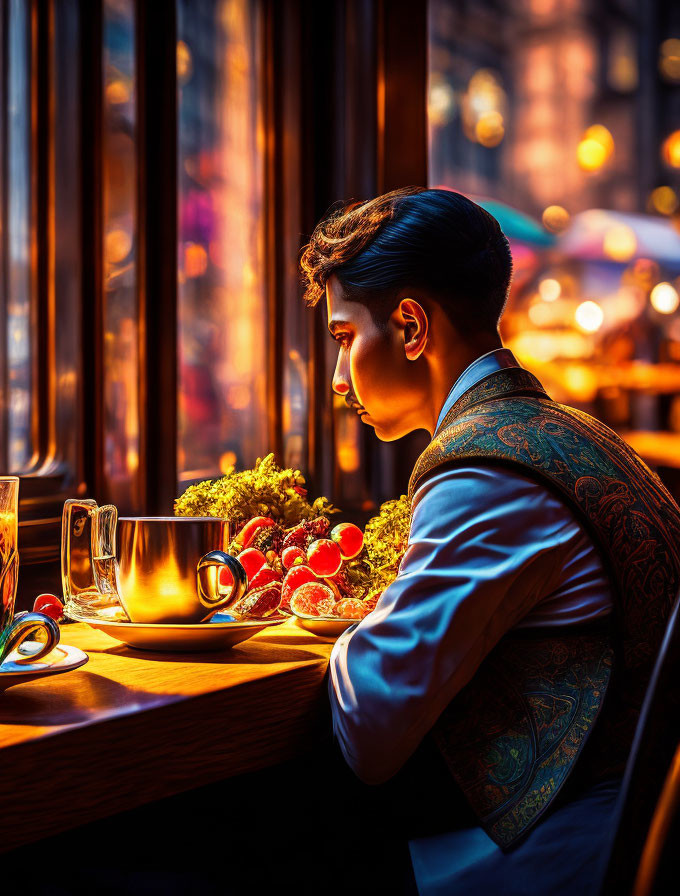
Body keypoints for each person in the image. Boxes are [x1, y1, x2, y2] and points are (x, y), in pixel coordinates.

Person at [300, 187, 680, 895]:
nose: (336, 378)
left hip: (566, 854)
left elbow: (370, 732)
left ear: (411, 327)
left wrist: (351, 618)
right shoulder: (577, 435)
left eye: (345, 337)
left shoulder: (486, 477)